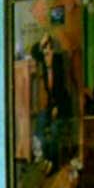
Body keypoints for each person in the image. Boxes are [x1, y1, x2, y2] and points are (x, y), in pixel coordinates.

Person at [31, 33, 74, 175]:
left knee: (55, 129)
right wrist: (41, 42)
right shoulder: (44, 63)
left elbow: (62, 90)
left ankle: (53, 162)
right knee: (39, 123)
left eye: (49, 52)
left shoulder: (59, 62)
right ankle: (45, 157)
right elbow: (33, 52)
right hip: (51, 106)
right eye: (45, 53)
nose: (47, 56)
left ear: (53, 52)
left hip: (63, 105)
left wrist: (58, 108)